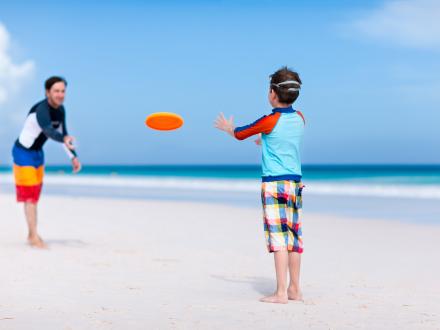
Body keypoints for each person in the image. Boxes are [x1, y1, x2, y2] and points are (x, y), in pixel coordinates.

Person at [215, 67, 305, 304]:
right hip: (295, 183)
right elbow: (282, 141)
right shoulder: (300, 118)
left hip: (274, 185)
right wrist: (265, 140)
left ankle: (281, 293)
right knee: (294, 239)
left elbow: (241, 133)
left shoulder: (270, 120)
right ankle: (295, 288)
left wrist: (228, 128)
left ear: (272, 94)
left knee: (278, 239)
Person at [12, 76, 81, 248]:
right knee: (29, 197)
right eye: (56, 91)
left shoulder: (61, 110)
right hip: (23, 153)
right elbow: (49, 131)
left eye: (63, 91)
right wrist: (64, 138)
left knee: (34, 197)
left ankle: (31, 234)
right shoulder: (41, 110)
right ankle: (34, 237)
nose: (60, 94)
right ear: (47, 92)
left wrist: (73, 156)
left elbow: (64, 134)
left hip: (38, 154)